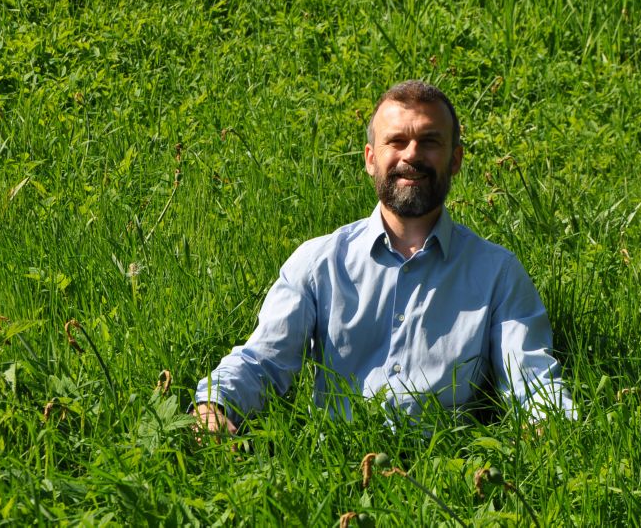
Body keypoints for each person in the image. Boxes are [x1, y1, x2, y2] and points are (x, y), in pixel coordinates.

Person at [193, 80, 574, 437]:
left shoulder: (497, 274)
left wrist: (550, 429)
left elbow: (532, 381)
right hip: (332, 475)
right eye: (397, 141)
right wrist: (216, 404)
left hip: (449, 476)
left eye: (429, 141)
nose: (412, 154)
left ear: (455, 159)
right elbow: (265, 361)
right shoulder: (318, 263)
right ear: (371, 158)